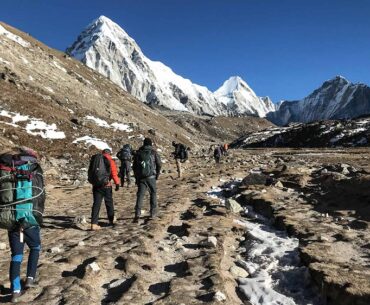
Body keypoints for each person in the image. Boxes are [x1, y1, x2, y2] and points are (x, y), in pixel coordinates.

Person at [0, 147, 45, 303]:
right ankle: (30, 278)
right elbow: (40, 196)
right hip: (30, 218)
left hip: (11, 219)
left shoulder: (4, 168)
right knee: (35, 247)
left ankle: (15, 291)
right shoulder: (32, 167)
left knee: (16, 256)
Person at [90, 148, 120, 231]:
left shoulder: (96, 159)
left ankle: (94, 223)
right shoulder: (110, 160)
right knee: (109, 203)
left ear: (102, 153)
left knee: (96, 204)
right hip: (106, 185)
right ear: (109, 153)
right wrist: (117, 183)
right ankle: (111, 220)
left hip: (96, 185)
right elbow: (114, 173)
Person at [133, 138, 161, 223]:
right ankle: (153, 213)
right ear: (151, 144)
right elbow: (159, 164)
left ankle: (137, 214)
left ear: (144, 143)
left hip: (141, 177)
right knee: (153, 193)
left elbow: (134, 167)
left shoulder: (138, 153)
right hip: (151, 177)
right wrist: (157, 174)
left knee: (140, 195)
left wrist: (137, 177)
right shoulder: (153, 152)